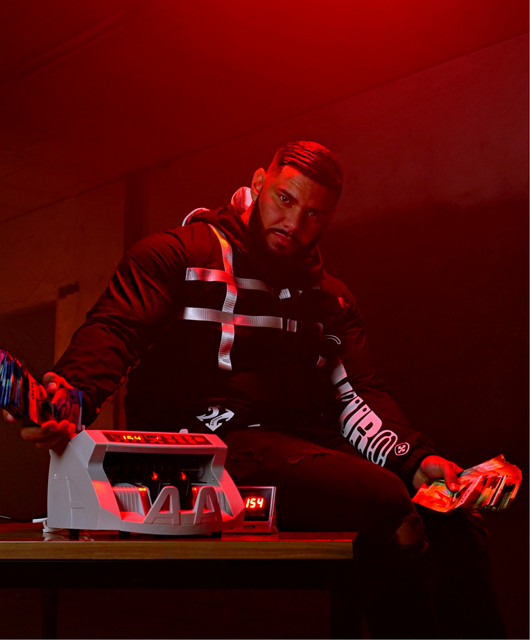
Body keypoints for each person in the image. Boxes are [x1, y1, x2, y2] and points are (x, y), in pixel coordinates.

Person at [12, 141, 505, 638]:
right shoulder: (178, 254)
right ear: (257, 184)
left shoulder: (330, 299)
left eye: (314, 214)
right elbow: (116, 331)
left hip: (297, 448)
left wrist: (416, 460)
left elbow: (357, 394)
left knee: (454, 517)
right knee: (384, 499)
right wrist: (68, 396)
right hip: (200, 449)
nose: (294, 223)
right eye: (285, 200)